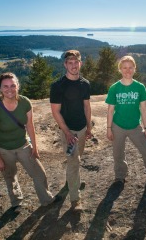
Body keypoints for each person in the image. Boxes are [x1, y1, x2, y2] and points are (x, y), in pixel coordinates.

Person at [0, 72, 59, 211]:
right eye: (5, 86)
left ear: (18, 86)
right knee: (10, 176)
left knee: (39, 173)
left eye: (13, 85)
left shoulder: (25, 102)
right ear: (0, 89)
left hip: (23, 145)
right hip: (4, 149)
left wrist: (35, 147)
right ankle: (16, 202)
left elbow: (30, 125)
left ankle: (47, 199)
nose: (9, 89)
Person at [105, 55, 146, 185]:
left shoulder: (140, 87)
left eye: (130, 68)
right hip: (118, 126)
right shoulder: (114, 88)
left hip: (135, 126)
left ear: (135, 69)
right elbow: (110, 110)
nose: (127, 71)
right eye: (124, 68)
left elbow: (144, 109)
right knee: (118, 155)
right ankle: (120, 177)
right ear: (120, 69)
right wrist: (109, 129)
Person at [50, 50, 92, 212]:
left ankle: (71, 181)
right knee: (74, 161)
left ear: (80, 63)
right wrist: (67, 133)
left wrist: (88, 127)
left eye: (76, 62)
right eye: (70, 63)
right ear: (65, 65)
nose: (74, 65)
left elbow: (87, 107)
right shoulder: (58, 86)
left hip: (81, 129)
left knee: (77, 158)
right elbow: (56, 112)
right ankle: (75, 200)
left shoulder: (85, 84)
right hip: (69, 132)